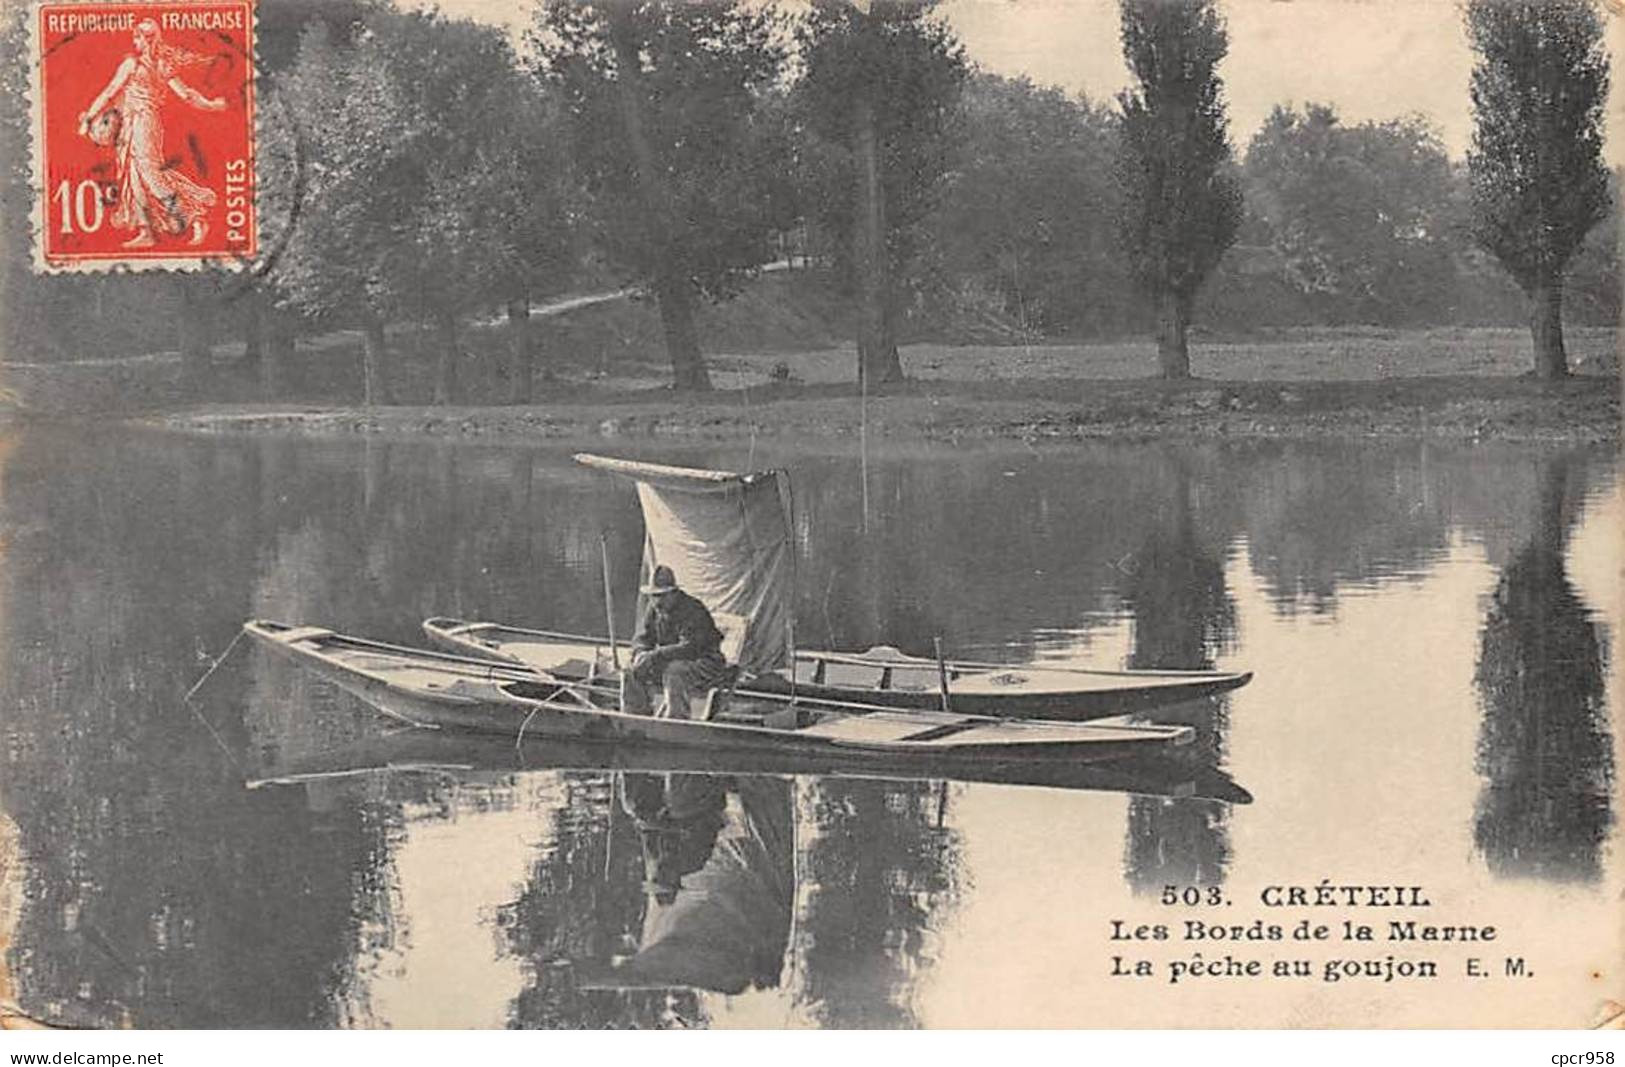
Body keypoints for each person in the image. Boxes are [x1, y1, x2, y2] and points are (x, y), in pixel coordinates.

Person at [76, 19, 225, 249]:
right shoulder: (162, 64)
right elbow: (186, 94)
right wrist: (211, 105)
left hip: (141, 122)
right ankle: (146, 231)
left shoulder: (132, 64)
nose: (134, 41)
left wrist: (88, 118)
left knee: (151, 175)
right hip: (135, 123)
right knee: (134, 177)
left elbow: (109, 92)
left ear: (144, 39)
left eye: (137, 37)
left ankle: (193, 218)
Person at [622, 565, 731, 719]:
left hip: (706, 663)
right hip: (671, 660)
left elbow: (691, 648)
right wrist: (641, 653)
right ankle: (635, 718)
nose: (657, 601)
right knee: (631, 670)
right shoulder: (654, 608)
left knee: (675, 672)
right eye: (653, 595)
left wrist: (655, 655)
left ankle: (675, 721)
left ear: (673, 593)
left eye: (662, 595)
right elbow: (642, 637)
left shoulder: (693, 609)